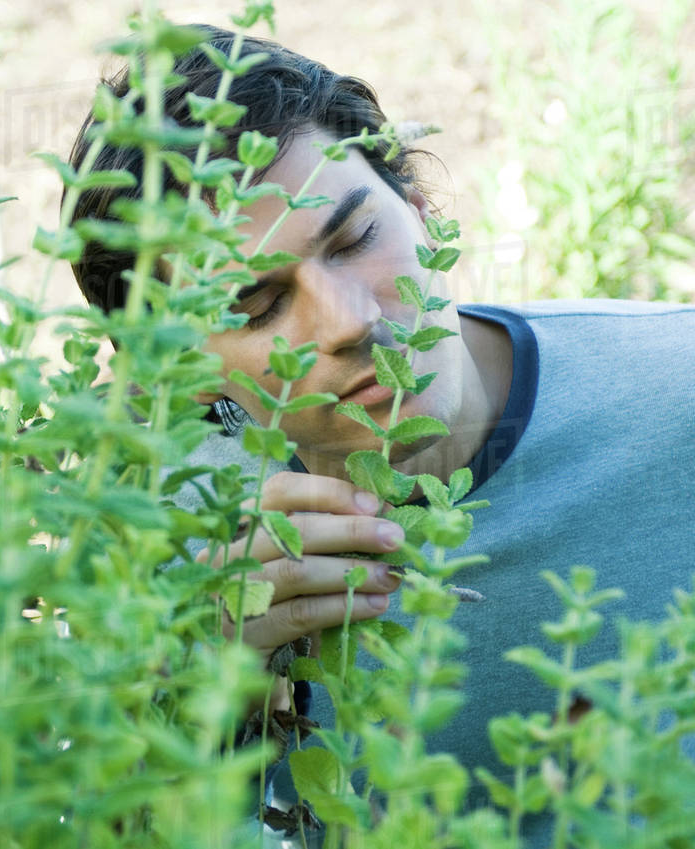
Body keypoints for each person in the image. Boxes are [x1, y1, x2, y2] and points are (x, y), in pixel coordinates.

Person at [65, 23, 695, 844]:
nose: (348, 322)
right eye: (255, 306)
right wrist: (199, 691)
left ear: (423, 208)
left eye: (356, 238)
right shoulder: (156, 538)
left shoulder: (674, 389)